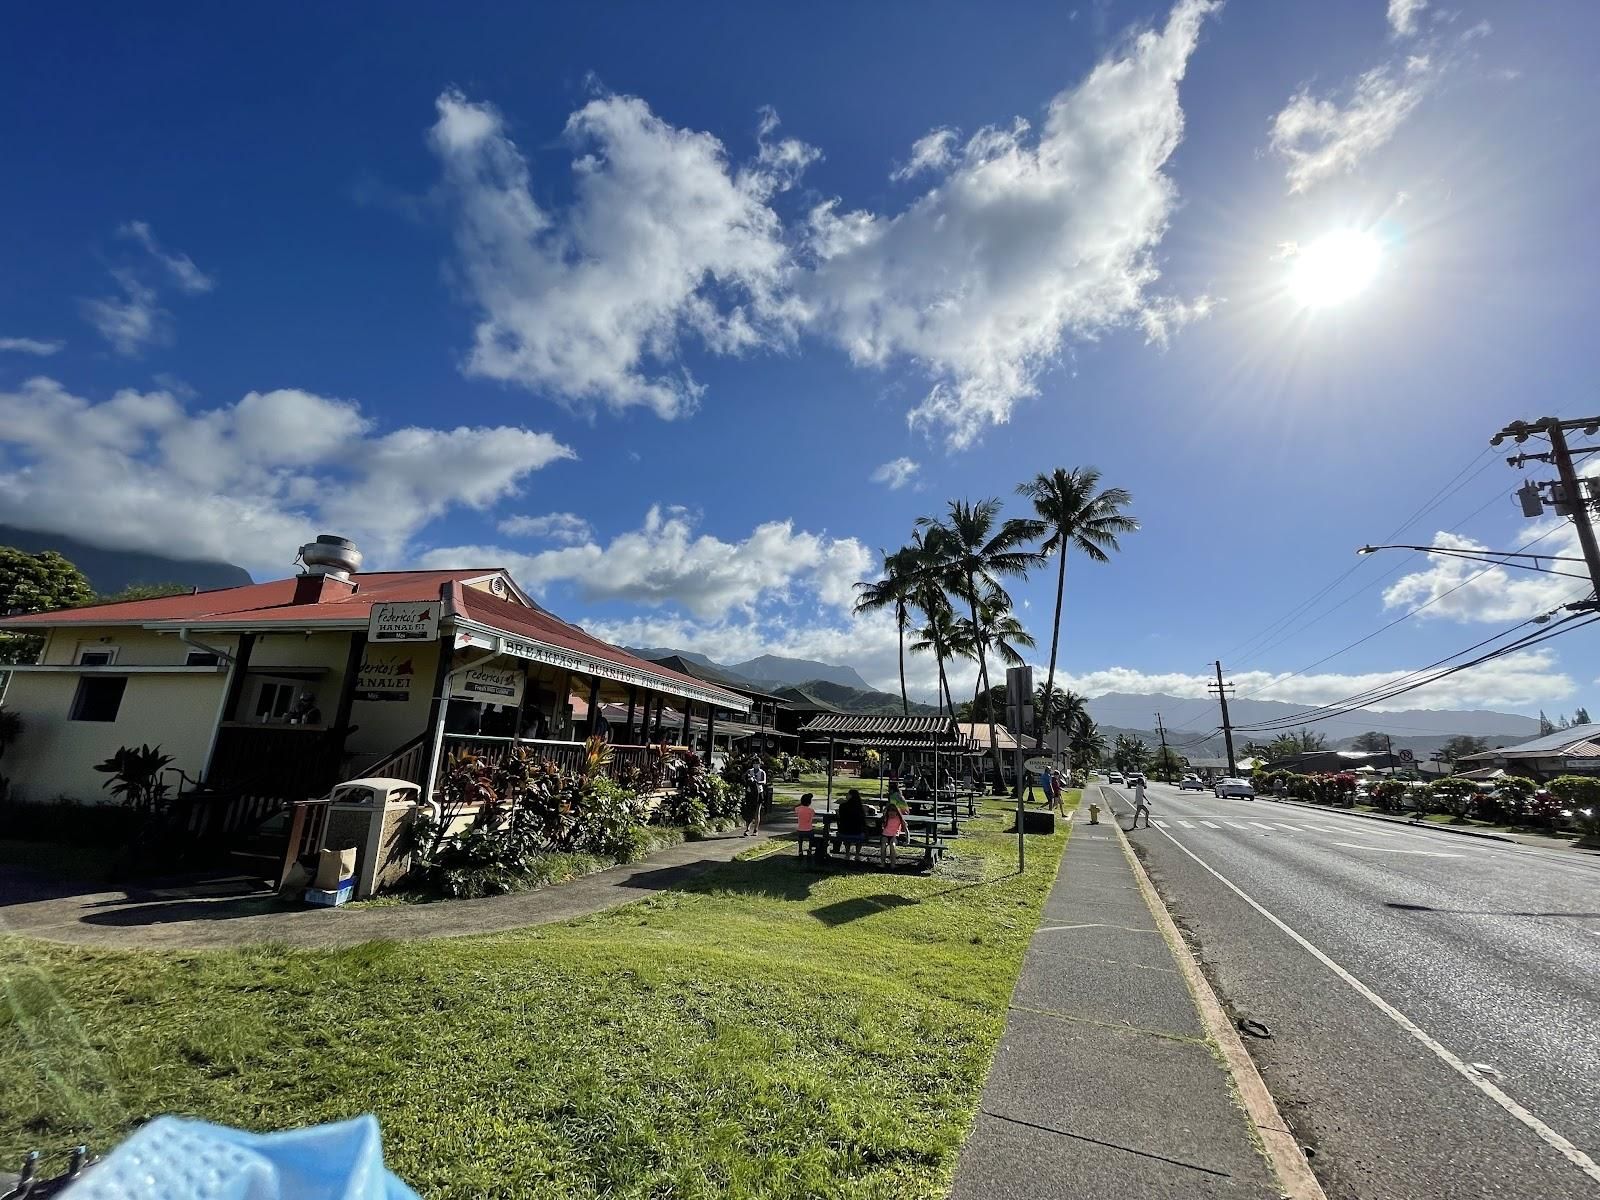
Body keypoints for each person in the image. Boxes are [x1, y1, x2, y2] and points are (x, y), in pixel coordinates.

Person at [837, 788, 868, 860]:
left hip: (844, 832)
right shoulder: (860, 807)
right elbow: (863, 820)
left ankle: (847, 853)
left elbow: (840, 817)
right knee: (861, 832)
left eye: (848, 794)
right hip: (858, 833)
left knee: (847, 831)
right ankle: (857, 854)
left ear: (851, 796)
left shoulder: (842, 806)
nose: (846, 795)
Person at [880, 793, 907, 865]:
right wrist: (887, 808)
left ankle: (893, 864)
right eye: (890, 811)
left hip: (894, 836)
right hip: (885, 835)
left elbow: (906, 829)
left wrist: (907, 841)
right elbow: (884, 812)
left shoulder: (899, 818)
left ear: (897, 812)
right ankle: (882, 863)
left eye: (893, 811)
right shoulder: (886, 817)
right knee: (883, 845)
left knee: (892, 845)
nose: (891, 813)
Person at [742, 758, 768, 836]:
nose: (756, 764)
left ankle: (755, 830)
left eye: (757, 763)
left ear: (760, 764)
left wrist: (757, 781)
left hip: (758, 793)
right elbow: (743, 777)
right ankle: (747, 829)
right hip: (750, 792)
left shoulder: (762, 772)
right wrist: (748, 780)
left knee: (757, 812)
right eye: (754, 763)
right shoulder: (750, 771)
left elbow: (764, 781)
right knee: (749, 811)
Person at [794, 792, 816, 859]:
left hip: (800, 829)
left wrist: (800, 804)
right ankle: (809, 850)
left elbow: (795, 808)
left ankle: (800, 850)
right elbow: (813, 815)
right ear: (809, 802)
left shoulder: (798, 809)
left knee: (800, 840)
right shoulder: (811, 810)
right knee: (811, 839)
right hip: (809, 830)